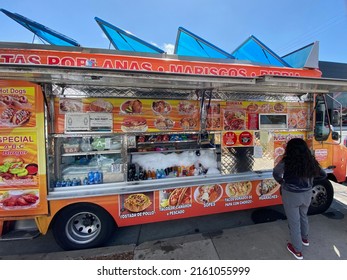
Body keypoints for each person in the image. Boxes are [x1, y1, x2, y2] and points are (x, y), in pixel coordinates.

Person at [272, 138, 327, 260]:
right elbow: (323, 175)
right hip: (307, 194)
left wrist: (282, 182)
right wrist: (310, 180)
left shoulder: (287, 161)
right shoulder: (310, 161)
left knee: (294, 222)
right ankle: (305, 238)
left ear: (290, 149)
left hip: (291, 195)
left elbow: (276, 173)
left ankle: (297, 251)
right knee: (303, 216)